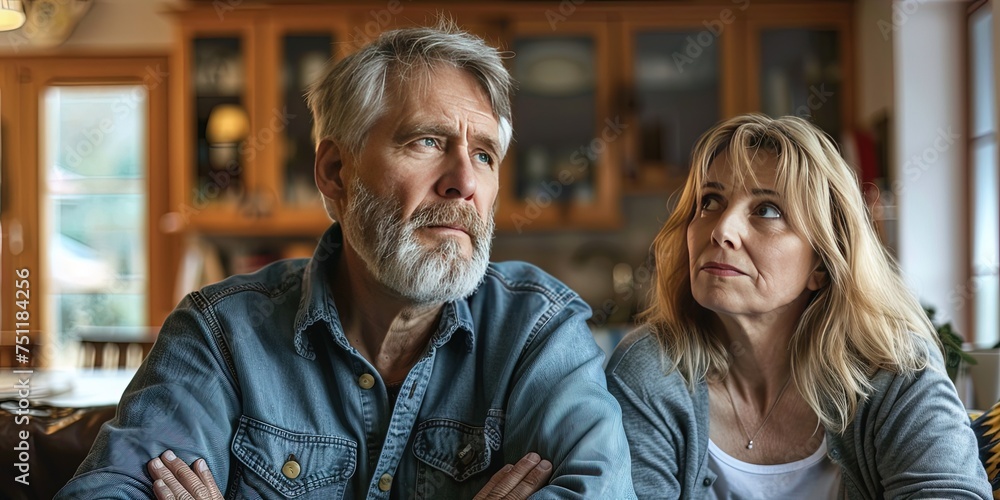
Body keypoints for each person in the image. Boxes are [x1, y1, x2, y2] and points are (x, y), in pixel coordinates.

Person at [57, 20, 635, 499]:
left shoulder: (536, 331)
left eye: (484, 155)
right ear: (336, 172)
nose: (464, 182)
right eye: (428, 141)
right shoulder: (221, 335)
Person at [605, 114, 992, 499]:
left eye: (767, 210)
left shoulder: (896, 369)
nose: (722, 229)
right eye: (711, 201)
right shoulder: (649, 373)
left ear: (822, 264)